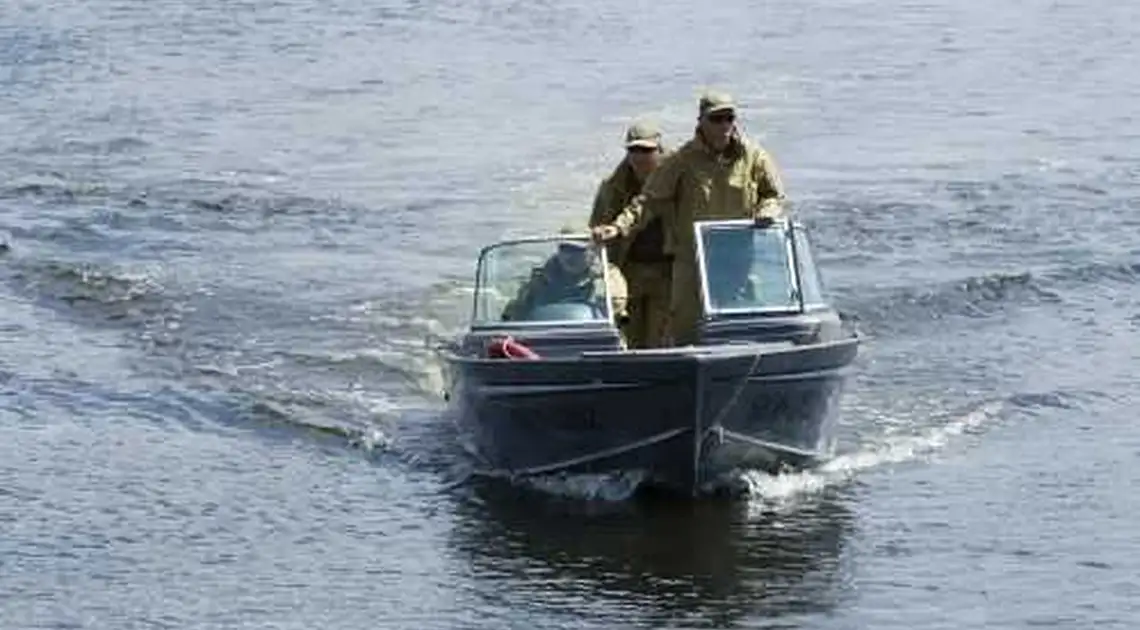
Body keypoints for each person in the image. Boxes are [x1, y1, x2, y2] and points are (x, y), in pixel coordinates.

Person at [591, 89, 787, 346]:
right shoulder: (682, 160)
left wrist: (768, 210)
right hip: (691, 263)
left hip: (737, 259)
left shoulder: (754, 157)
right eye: (716, 119)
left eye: (729, 118)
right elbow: (648, 200)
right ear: (701, 122)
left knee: (745, 326)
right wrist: (618, 227)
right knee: (685, 332)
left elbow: (774, 195)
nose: (724, 125)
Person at [588, 119, 671, 349]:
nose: (640, 156)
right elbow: (597, 225)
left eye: (646, 150)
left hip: (668, 271)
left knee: (661, 338)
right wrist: (601, 234)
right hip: (629, 270)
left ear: (659, 150)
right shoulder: (613, 186)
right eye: (634, 150)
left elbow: (645, 205)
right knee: (629, 337)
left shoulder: (675, 178)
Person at [500, 227, 629, 327]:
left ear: (592, 251)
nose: (570, 256)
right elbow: (516, 310)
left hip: (593, 338)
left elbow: (617, 304)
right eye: (565, 249)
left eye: (577, 250)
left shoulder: (607, 275)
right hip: (545, 338)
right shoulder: (541, 276)